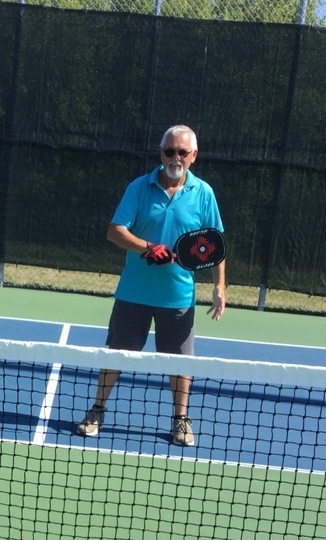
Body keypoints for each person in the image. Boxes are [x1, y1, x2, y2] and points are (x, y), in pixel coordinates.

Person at [76, 125, 226, 446]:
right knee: (116, 354)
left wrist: (219, 287)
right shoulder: (139, 188)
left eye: (182, 152)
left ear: (193, 156)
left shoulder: (204, 194)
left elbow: (215, 243)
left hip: (178, 296)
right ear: (161, 153)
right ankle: (97, 410)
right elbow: (115, 231)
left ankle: (181, 420)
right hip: (134, 293)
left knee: (180, 364)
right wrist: (147, 247)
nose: (175, 157)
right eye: (169, 151)